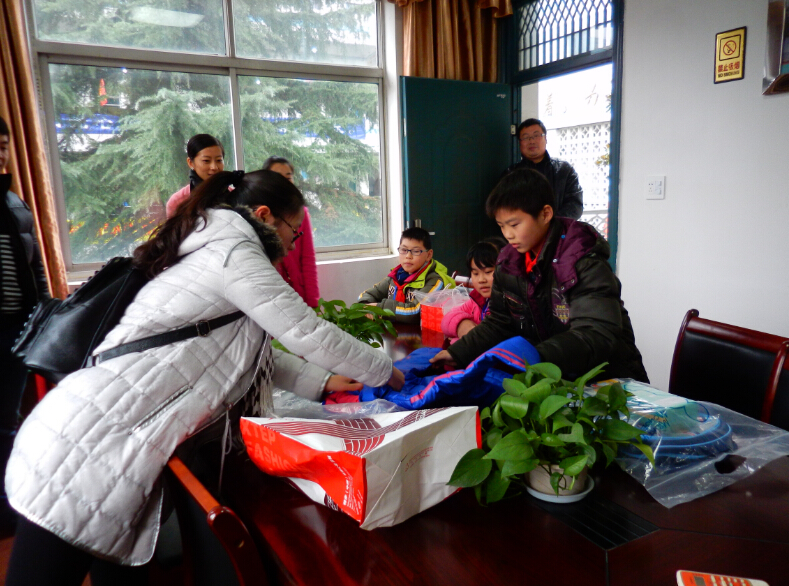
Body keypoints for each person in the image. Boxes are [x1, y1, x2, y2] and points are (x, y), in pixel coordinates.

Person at [4, 169, 405, 585]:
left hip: (109, 438)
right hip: (88, 446)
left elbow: (239, 350)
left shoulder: (213, 245)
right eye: (295, 230)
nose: (294, 242)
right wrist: (389, 373)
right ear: (265, 215)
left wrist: (322, 381)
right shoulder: (235, 252)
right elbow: (308, 331)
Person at [431, 168, 648, 383]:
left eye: (514, 224)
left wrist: (534, 356)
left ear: (545, 214)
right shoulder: (508, 263)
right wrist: (458, 353)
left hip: (607, 380)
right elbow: (499, 322)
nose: (508, 235)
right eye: (501, 226)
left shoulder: (582, 260)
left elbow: (596, 333)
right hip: (552, 377)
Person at [0, 115, 50, 529]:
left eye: (2, 147)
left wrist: (46, 311)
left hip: (17, 328)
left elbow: (35, 270)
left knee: (8, 418)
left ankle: (9, 503)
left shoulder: (15, 204)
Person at [358, 227, 454, 324]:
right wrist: (364, 305)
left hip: (420, 332)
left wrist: (379, 308)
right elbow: (369, 294)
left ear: (428, 255)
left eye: (416, 251)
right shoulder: (396, 276)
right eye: (404, 250)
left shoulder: (435, 281)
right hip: (395, 330)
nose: (408, 256)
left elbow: (415, 311)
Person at [262, 156, 320, 307]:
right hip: (271, 296)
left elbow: (308, 258)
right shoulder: (260, 214)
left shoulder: (301, 213)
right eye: (277, 178)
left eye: (288, 178)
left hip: (298, 294)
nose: (284, 183)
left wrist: (313, 302)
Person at [505, 118, 583, 220]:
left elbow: (575, 206)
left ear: (545, 139)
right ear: (519, 143)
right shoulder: (510, 174)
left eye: (536, 135)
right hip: (523, 229)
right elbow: (504, 208)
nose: (531, 141)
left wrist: (549, 224)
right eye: (525, 137)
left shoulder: (564, 170)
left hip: (558, 228)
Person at [441, 237, 507, 341]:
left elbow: (488, 343)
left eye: (488, 272)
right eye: (475, 273)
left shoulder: (510, 305)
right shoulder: (478, 299)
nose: (481, 280)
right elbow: (446, 320)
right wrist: (462, 325)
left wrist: (458, 340)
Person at [165, 133, 225, 218]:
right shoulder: (178, 201)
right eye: (206, 161)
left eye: (219, 160)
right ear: (190, 163)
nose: (214, 167)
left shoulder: (236, 194)